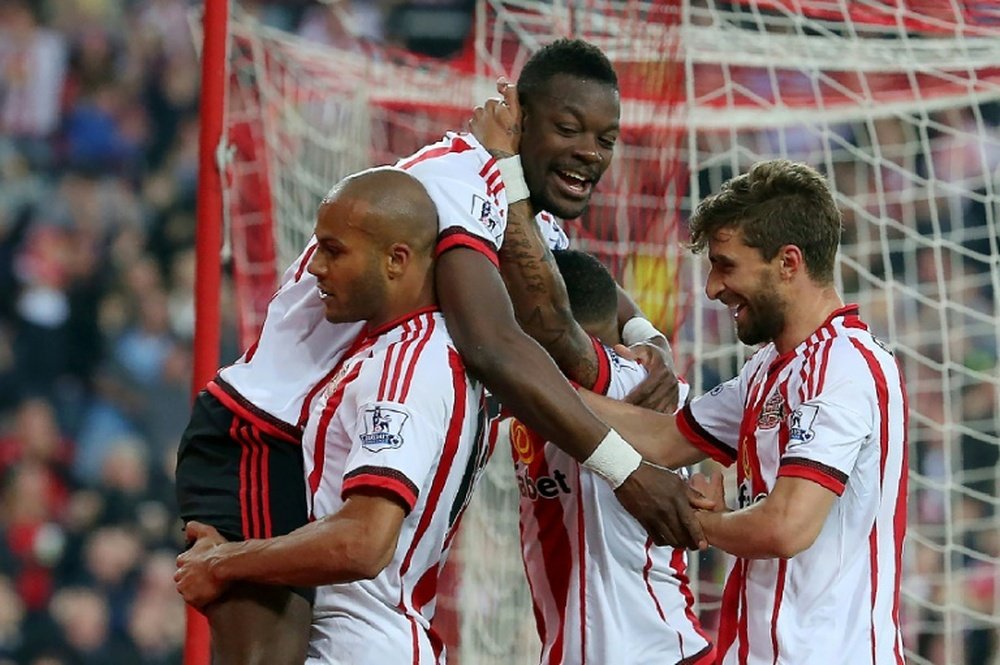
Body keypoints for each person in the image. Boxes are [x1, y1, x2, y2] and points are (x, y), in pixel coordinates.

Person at [175, 38, 703, 665]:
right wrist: (627, 471)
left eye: (606, 139)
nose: (590, 153)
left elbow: (589, 291)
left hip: (338, 436)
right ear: (520, 117)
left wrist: (648, 338)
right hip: (271, 431)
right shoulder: (459, 178)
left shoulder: (518, 207)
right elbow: (497, 345)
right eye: (568, 129)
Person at [576, 160, 909, 663]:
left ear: (788, 263)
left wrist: (693, 520)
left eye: (726, 265)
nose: (712, 288)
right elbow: (666, 439)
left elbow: (786, 527)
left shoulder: (845, 368)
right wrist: (535, 385)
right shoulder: (769, 368)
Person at [175, 167, 488, 664]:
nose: (316, 267)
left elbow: (363, 542)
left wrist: (226, 563)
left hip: (360, 643)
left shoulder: (405, 372)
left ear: (396, 260)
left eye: (334, 250)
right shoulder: (405, 353)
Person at [495, 249, 713, 665]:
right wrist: (646, 330)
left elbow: (519, 348)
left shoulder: (625, 381)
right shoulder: (546, 384)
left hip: (649, 652)